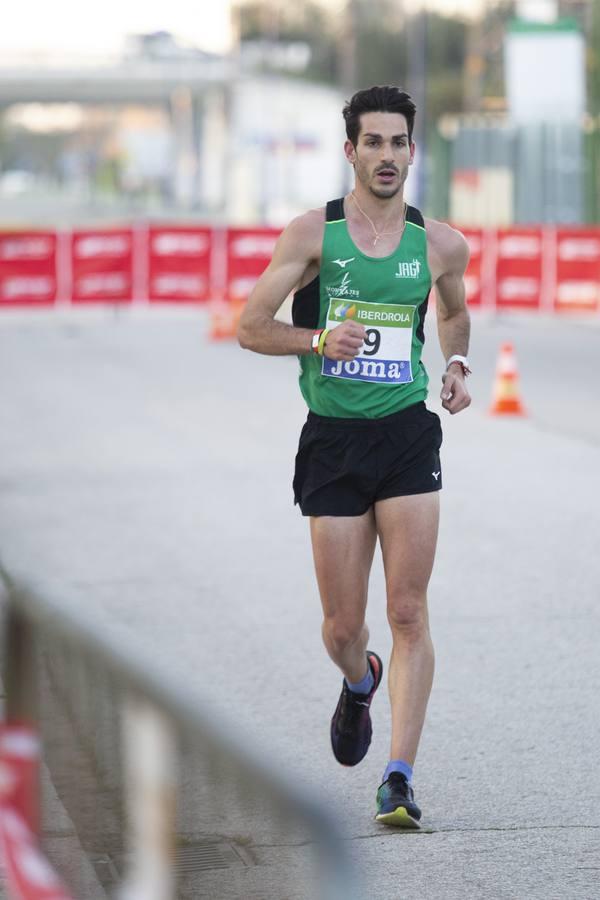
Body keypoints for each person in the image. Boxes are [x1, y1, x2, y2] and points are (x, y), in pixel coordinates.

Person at [238, 85, 471, 828]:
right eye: (373, 142)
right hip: (334, 441)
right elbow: (248, 325)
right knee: (344, 627)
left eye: (398, 142)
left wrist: (457, 365)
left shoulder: (438, 244)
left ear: (411, 151)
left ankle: (398, 777)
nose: (387, 155)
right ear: (351, 151)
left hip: (406, 434)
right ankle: (359, 678)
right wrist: (314, 340)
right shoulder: (313, 235)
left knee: (408, 609)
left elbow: (455, 310)